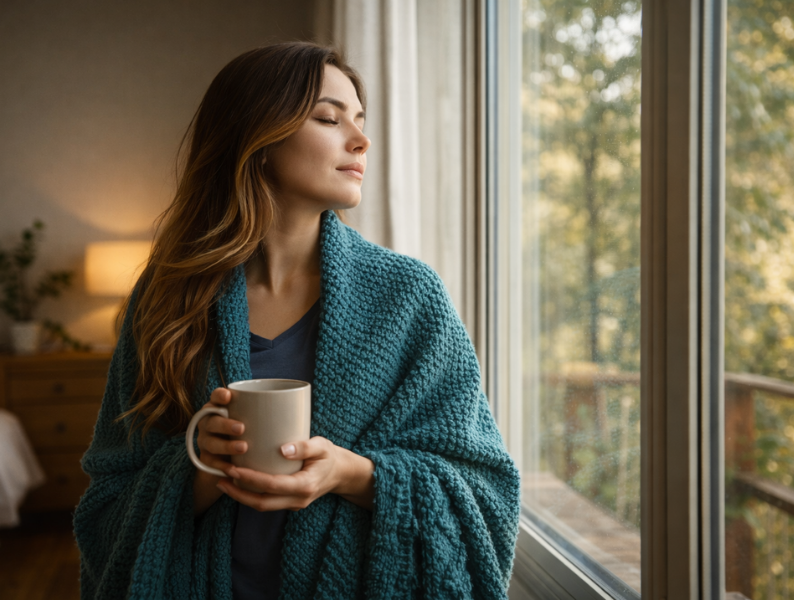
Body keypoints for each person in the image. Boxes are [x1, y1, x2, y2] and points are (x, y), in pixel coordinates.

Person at [74, 42, 520, 600]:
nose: (361, 140)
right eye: (329, 118)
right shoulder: (169, 297)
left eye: (360, 120)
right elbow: (109, 499)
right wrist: (198, 474)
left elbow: (485, 490)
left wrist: (351, 474)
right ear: (257, 138)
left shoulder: (408, 297)